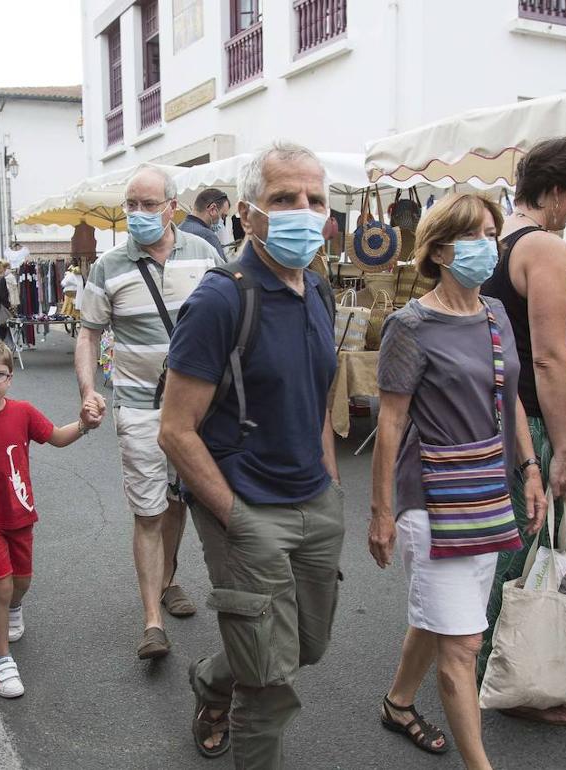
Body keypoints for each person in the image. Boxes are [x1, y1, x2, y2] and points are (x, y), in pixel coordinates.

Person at [158, 141, 343, 767]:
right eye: (283, 199)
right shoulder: (220, 299)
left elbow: (316, 399)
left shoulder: (317, 290)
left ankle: (212, 678)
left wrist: (331, 487)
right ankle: (232, 695)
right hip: (246, 511)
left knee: (306, 647)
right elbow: (176, 430)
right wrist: (236, 518)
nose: (303, 211)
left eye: (314, 199)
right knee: (268, 683)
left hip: (314, 502)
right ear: (247, 214)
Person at [369, 194, 543, 770]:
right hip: (432, 495)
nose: (488, 245)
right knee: (463, 643)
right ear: (440, 250)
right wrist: (381, 512)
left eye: (492, 232)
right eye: (474, 236)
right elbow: (390, 423)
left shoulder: (495, 313)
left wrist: (530, 467)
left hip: (487, 490)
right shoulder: (409, 325)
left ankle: (397, 703)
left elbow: (510, 395)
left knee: (445, 615)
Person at [477, 136, 566, 727]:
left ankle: (486, 666)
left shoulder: (500, 245)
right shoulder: (545, 247)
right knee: (555, 548)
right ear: (554, 193)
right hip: (541, 424)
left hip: (506, 421)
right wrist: (560, 450)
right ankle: (534, 680)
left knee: (511, 548)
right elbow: (550, 358)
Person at [76, 164, 222, 659]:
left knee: (178, 502)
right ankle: (152, 622)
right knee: (148, 511)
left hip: (199, 409)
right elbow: (88, 332)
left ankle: (169, 579)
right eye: (130, 205)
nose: (137, 214)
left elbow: (229, 321)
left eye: (147, 204)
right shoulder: (109, 266)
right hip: (138, 405)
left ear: (172, 207)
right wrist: (87, 389)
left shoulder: (205, 254)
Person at [0, 337, 103, 697]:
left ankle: (14, 606)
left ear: (10, 378)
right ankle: (1, 661)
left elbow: (57, 437)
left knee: (22, 581)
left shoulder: (23, 412)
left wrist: (84, 424)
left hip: (21, 514)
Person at [179, 187, 231, 259]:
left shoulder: (178, 230)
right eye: (223, 216)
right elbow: (221, 268)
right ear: (212, 209)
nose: (222, 221)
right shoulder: (208, 237)